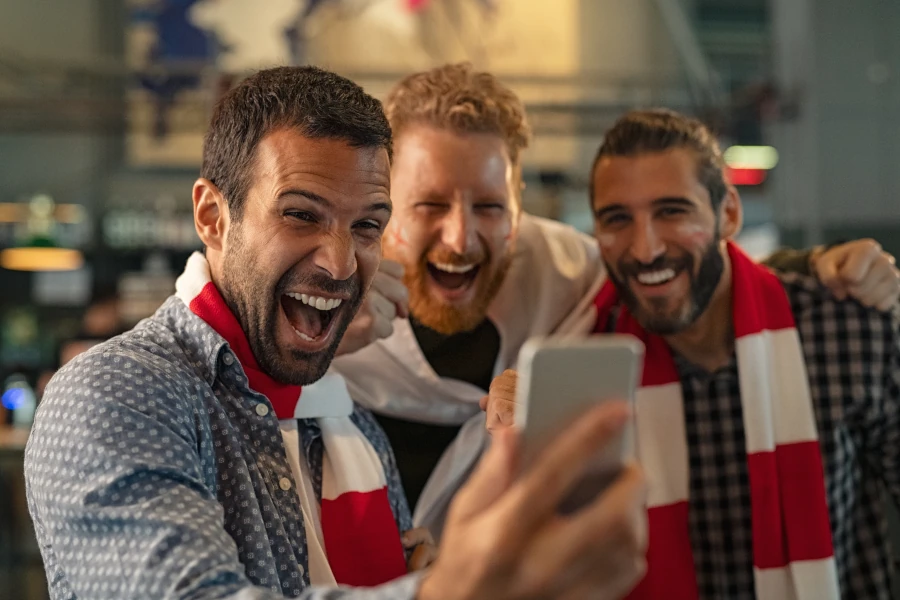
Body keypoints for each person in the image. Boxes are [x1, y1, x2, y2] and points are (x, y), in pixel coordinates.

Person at [24, 66, 649, 600]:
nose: (341, 262)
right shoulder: (114, 394)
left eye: (368, 225)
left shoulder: (346, 420)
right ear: (213, 218)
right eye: (301, 214)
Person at [323, 62, 900, 537]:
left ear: (521, 204)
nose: (460, 237)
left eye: (490, 206)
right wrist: (315, 348)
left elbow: (683, 274)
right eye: (428, 205)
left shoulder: (567, 275)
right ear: (386, 199)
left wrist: (815, 267)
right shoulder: (323, 304)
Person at [484, 108, 900, 599]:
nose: (645, 249)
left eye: (672, 211)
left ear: (728, 214)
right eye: (618, 219)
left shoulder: (845, 329)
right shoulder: (585, 368)